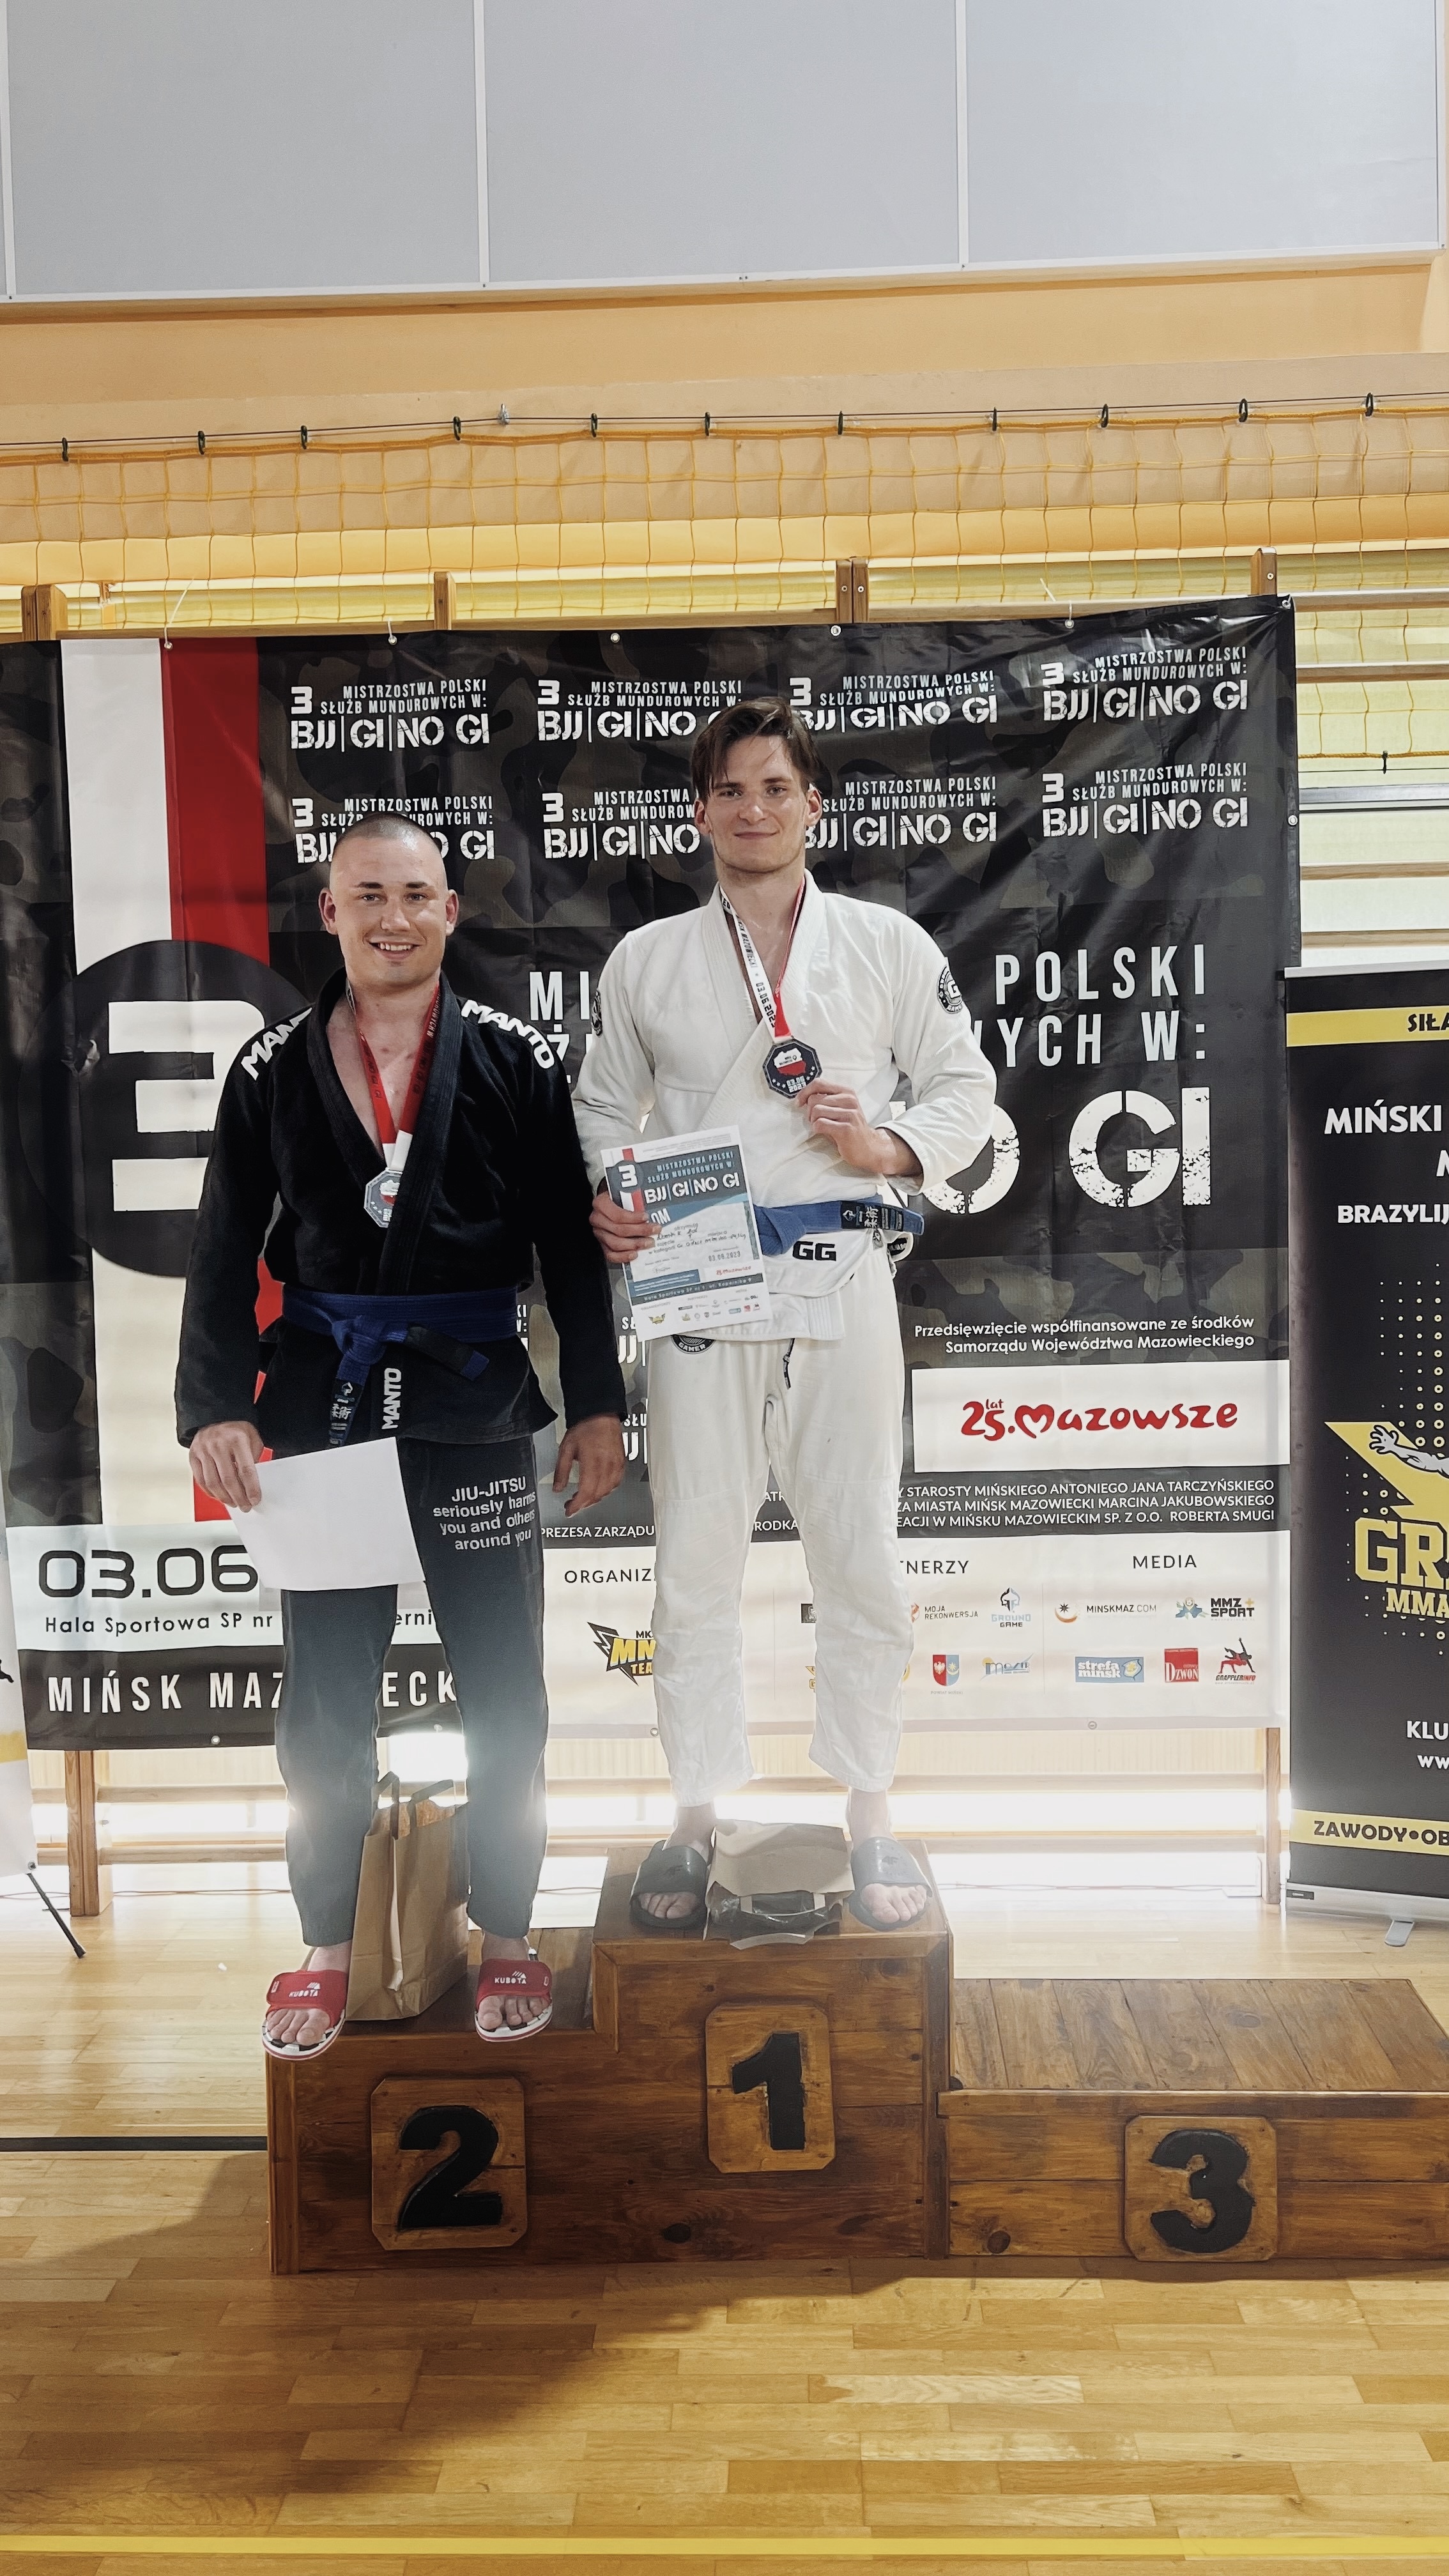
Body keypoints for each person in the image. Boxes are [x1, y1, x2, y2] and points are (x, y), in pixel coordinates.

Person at [178, 814, 626, 2050]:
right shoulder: (269, 1068)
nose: (393, 917)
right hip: (322, 1400)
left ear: (450, 911)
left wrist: (597, 1401)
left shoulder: (515, 1060)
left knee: (504, 1687)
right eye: (368, 894)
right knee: (324, 1695)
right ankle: (328, 1940)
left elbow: (568, 1245)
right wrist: (214, 1405)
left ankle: (509, 1931)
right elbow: (222, 1246)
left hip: (473, 1397)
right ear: (330, 912)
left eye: (416, 894)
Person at [572, 697, 995, 1930]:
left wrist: (890, 1145)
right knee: (694, 1555)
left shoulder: (885, 945)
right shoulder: (647, 959)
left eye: (774, 788)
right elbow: (600, 1106)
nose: (752, 810)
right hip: (700, 1279)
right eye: (729, 791)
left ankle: (871, 1810)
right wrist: (614, 1193)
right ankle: (693, 1814)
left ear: (814, 804)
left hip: (842, 1270)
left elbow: (965, 1086)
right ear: (700, 813)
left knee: (858, 1547)